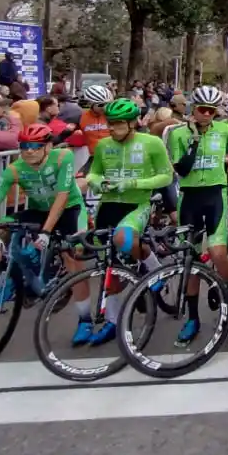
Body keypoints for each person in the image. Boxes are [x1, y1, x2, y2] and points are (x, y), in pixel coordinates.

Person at [0, 123, 92, 341]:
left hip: (70, 209)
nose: (29, 151)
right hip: (39, 210)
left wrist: (47, 232)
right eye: (24, 146)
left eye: (36, 146)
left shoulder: (63, 157)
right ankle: (13, 274)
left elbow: (62, 196)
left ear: (48, 146)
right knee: (0, 228)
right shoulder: (15, 168)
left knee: (72, 257)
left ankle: (85, 320)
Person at [82, 98, 173, 344]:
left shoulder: (151, 143)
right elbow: (94, 172)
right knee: (109, 268)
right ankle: (112, 322)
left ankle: (154, 269)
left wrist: (134, 183)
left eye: (118, 123)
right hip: (108, 206)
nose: (112, 128)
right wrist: (97, 182)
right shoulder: (103, 145)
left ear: (133, 123)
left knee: (123, 238)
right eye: (109, 123)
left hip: (137, 205)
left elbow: (166, 176)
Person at [167, 86, 228, 345]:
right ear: (193, 109)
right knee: (189, 259)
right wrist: (194, 142)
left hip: (215, 194)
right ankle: (192, 318)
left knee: (217, 252)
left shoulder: (226, 131)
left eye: (212, 111)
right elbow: (182, 169)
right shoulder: (178, 133)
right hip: (189, 196)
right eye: (203, 110)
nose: (208, 115)